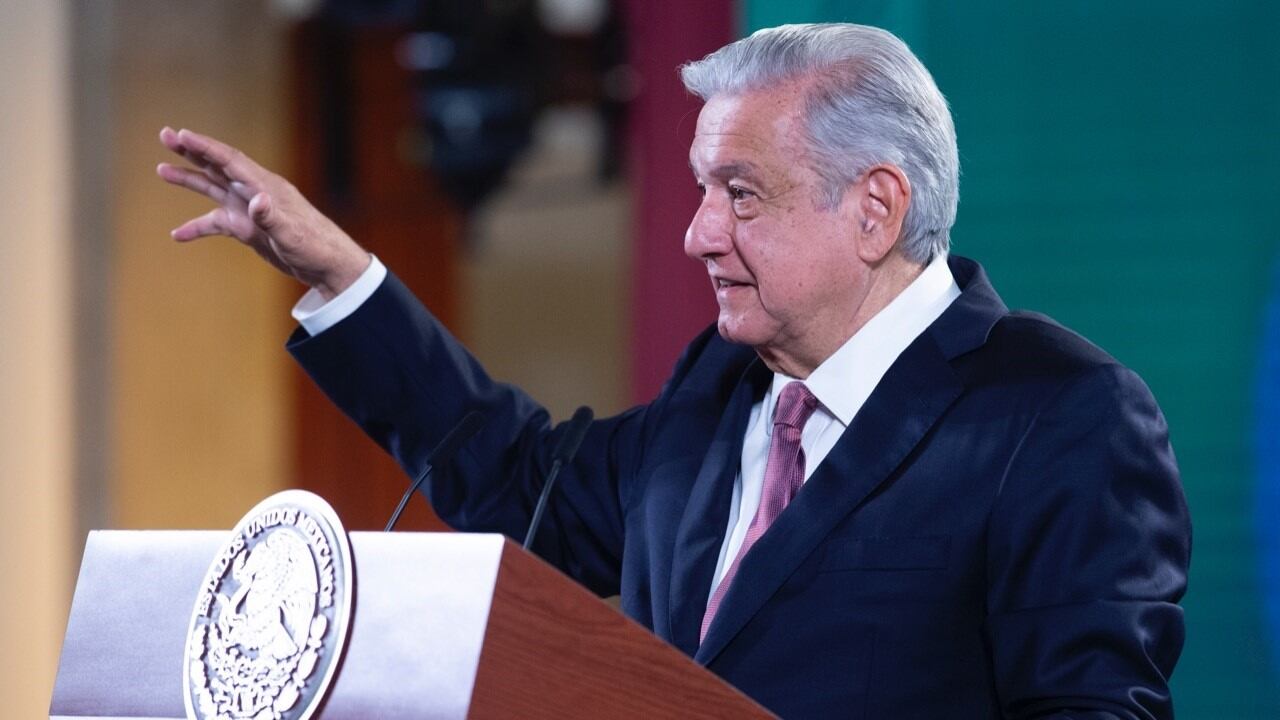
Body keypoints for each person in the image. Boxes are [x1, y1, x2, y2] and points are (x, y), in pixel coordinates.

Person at [158, 23, 1190, 720]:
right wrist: (342, 278)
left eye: (740, 193)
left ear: (874, 209)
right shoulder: (716, 389)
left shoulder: (1056, 415)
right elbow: (518, 484)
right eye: (700, 189)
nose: (698, 234)